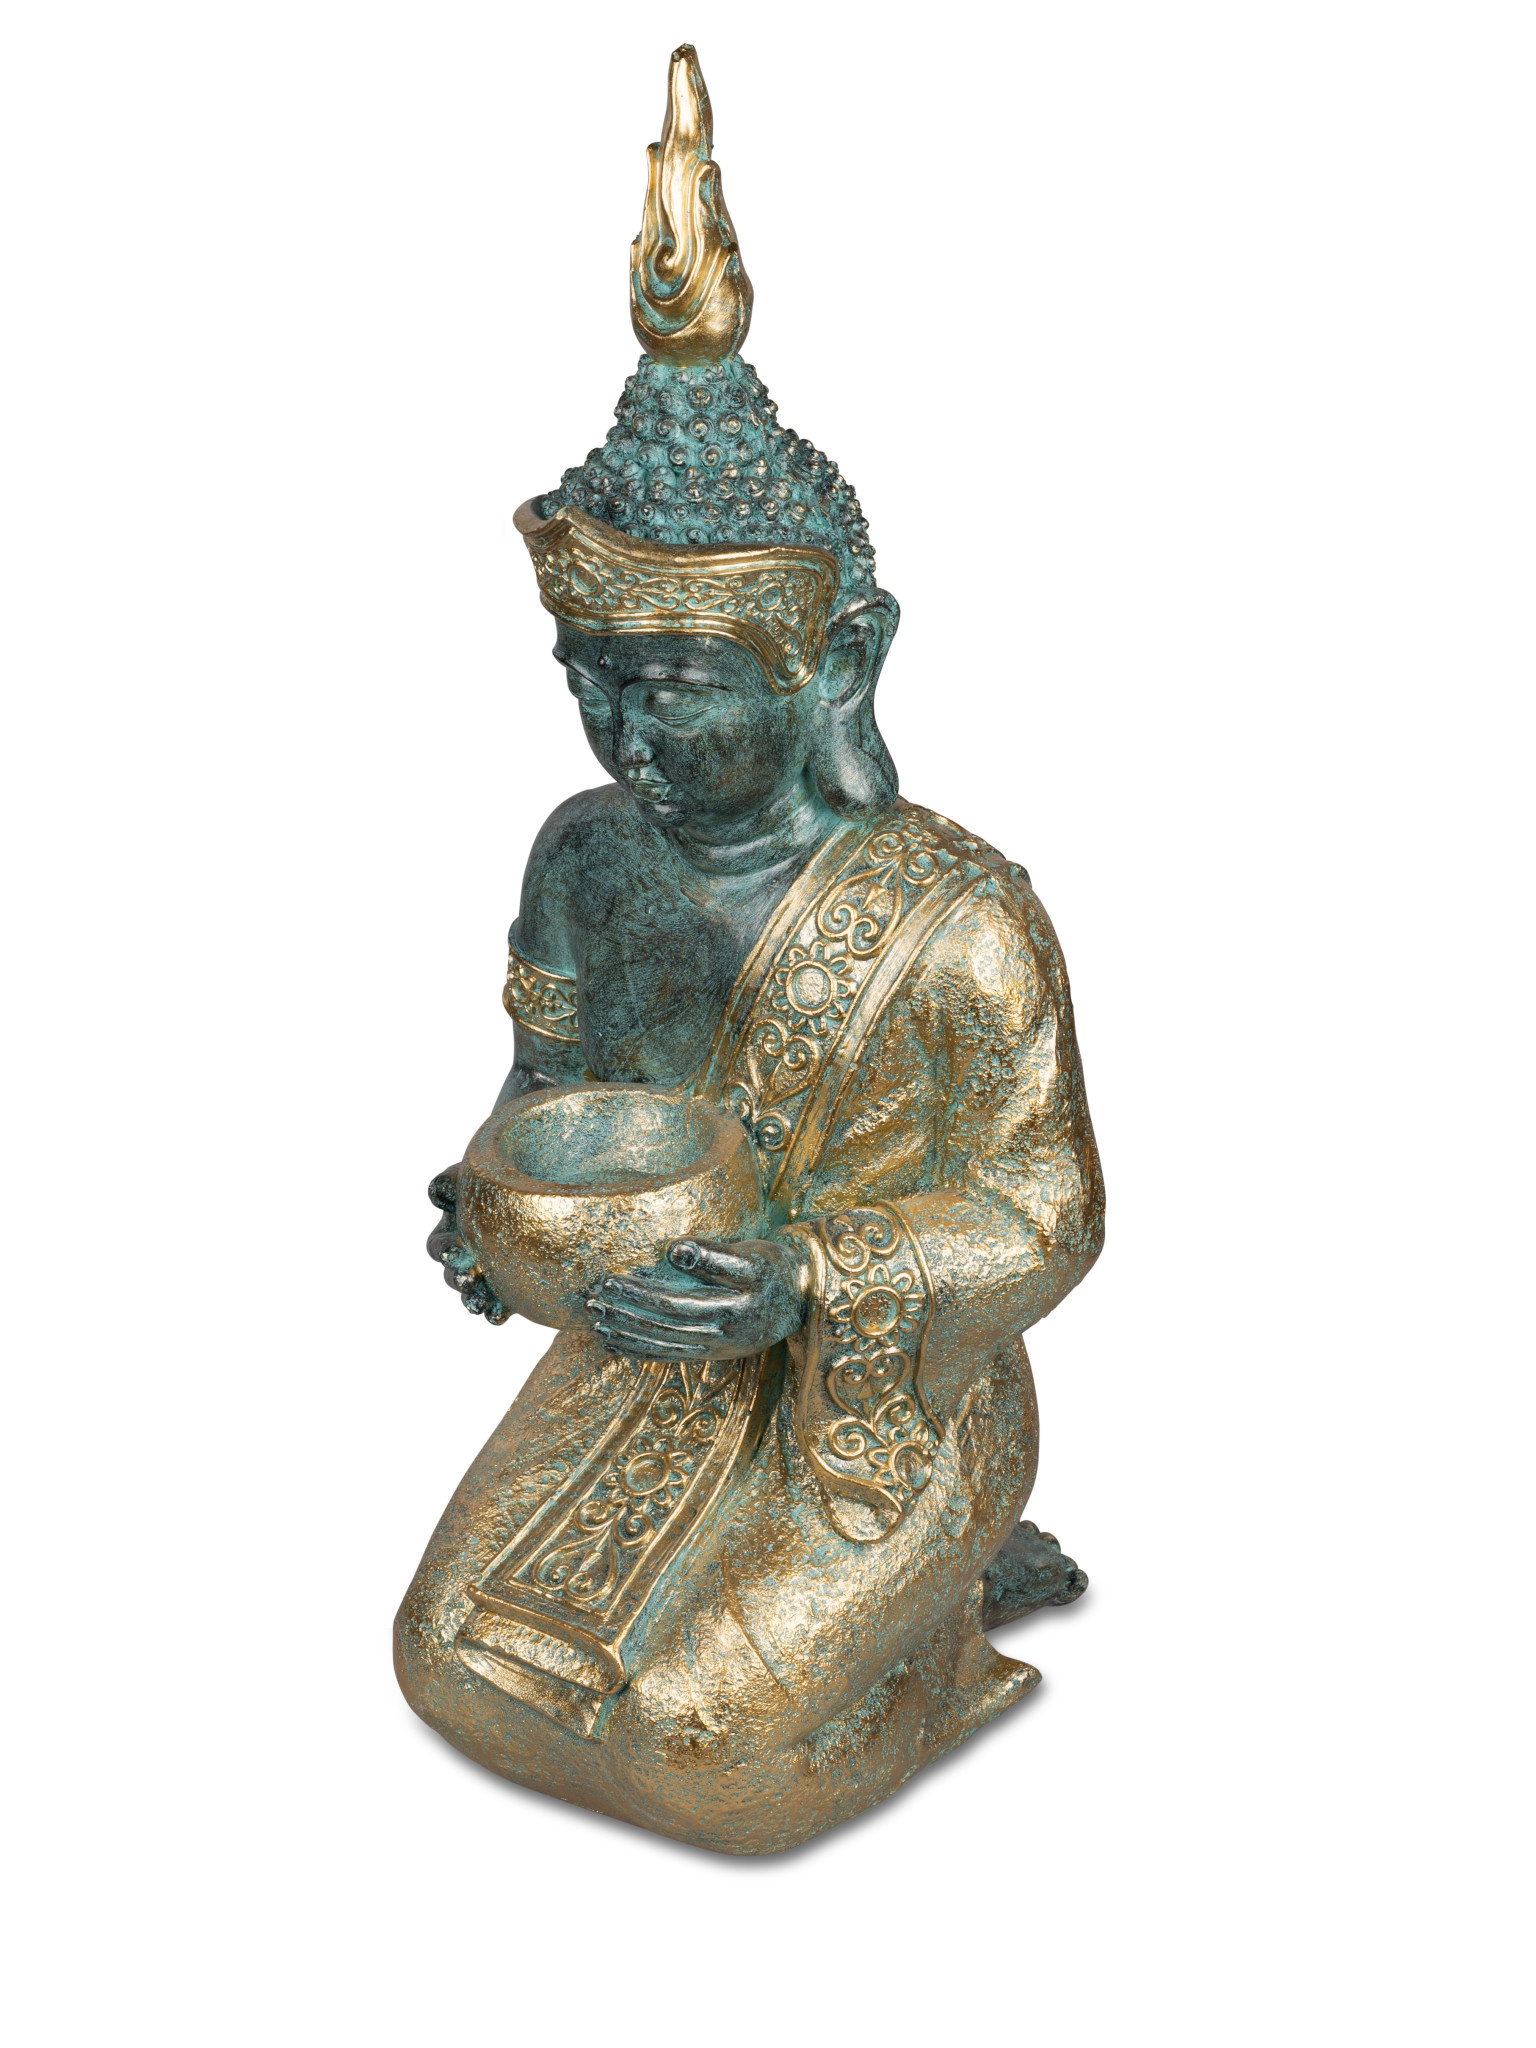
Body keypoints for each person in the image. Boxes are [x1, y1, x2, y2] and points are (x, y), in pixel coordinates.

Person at [396, 46, 1103, 1855]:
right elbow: (551, 1096)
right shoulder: (584, 862)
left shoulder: (958, 922)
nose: (627, 733)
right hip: (656, 1348)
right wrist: (492, 1206)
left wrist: (806, 1276)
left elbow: (1047, 1210)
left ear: (834, 666)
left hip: (881, 1384)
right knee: (457, 1663)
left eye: (680, 685)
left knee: (701, 1748)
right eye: (593, 678)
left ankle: (941, 1623)